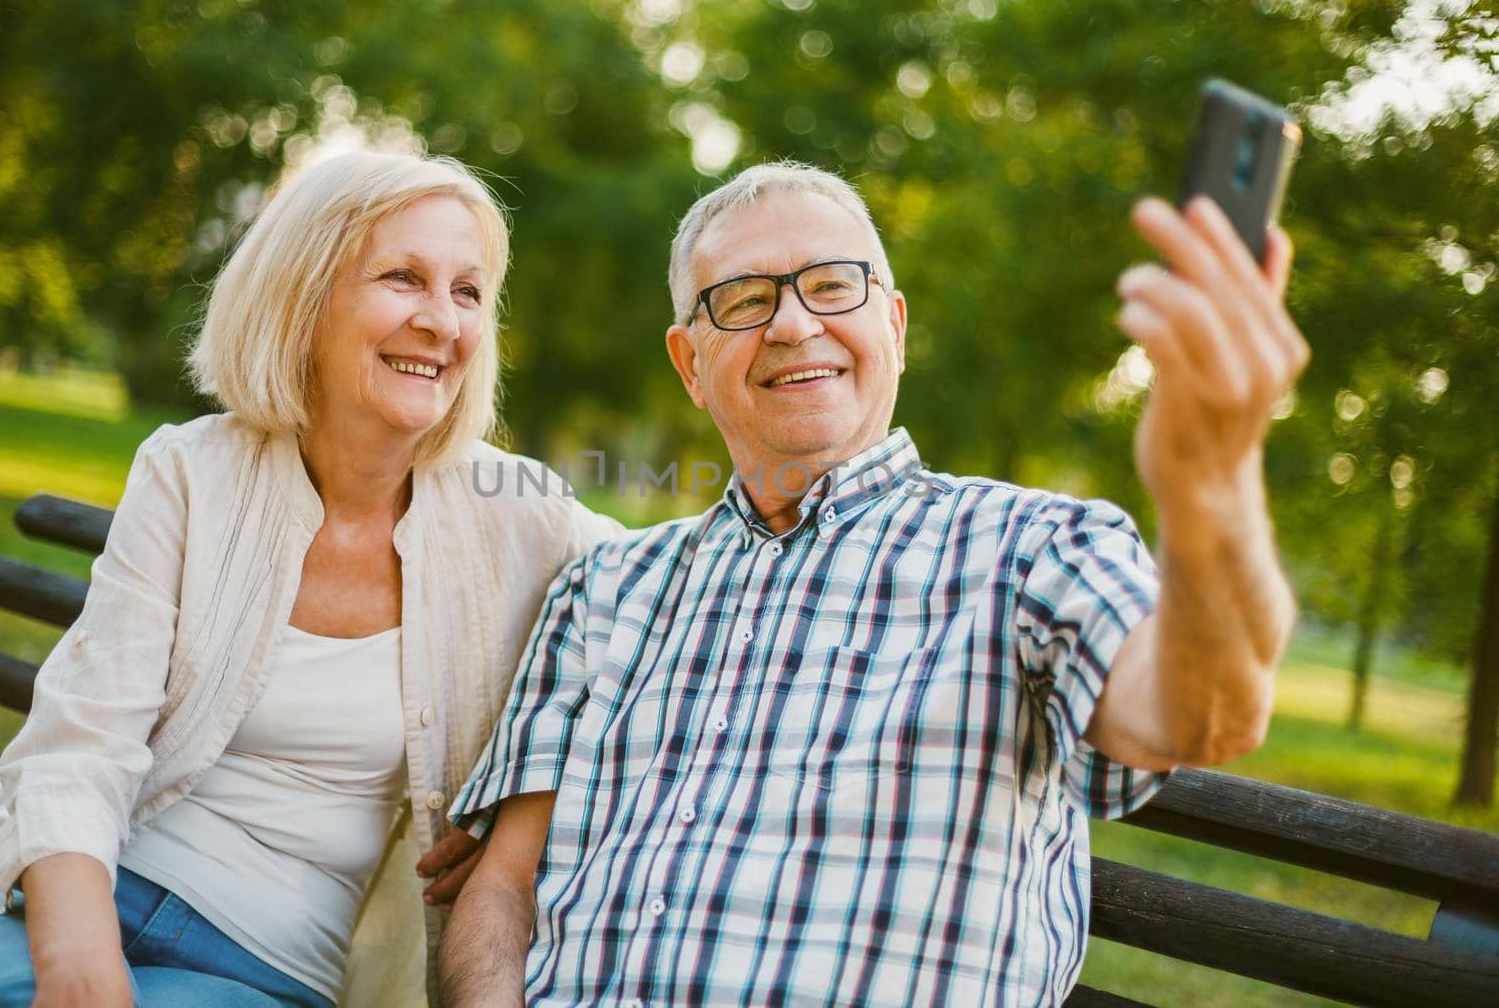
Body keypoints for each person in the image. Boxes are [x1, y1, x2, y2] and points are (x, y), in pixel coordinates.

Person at [438, 161, 1309, 1006]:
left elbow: (1202, 711)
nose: (791, 324)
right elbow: (504, 887)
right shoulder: (607, 586)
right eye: (744, 300)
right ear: (689, 363)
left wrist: (1213, 479)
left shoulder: (1035, 550)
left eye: (831, 286)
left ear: (894, 325)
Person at [0, 150, 618, 1007]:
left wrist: (524, 815)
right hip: (47, 890)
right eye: (403, 278)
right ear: (303, 298)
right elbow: (79, 745)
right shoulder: (191, 471)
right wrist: (80, 961)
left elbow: (686, 588)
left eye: (467, 292)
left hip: (264, 965)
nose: (442, 321)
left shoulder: (520, 512)